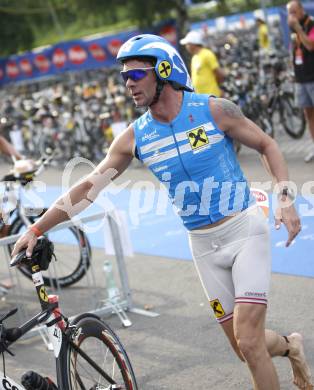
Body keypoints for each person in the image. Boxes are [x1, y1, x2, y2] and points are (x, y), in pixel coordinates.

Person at [11, 34, 312, 390]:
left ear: (164, 70)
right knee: (244, 347)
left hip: (244, 230)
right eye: (123, 76)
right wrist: (37, 229)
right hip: (202, 245)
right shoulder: (135, 137)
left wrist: (286, 197)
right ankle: (291, 346)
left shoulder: (213, 110)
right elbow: (88, 187)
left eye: (135, 74)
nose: (127, 83)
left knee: (248, 339)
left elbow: (267, 144)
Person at [287, 0, 314, 163]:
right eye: (290, 13)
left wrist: (298, 28)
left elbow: (310, 45)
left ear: (301, 10)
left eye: (294, 12)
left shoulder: (310, 24)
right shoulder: (292, 29)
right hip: (301, 78)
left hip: (313, 76)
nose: (292, 16)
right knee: (308, 114)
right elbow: (295, 50)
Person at [179, 30, 224, 96]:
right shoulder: (194, 57)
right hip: (201, 98)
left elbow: (219, 74)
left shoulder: (207, 54)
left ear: (193, 43)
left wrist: (219, 88)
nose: (186, 46)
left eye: (187, 44)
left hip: (212, 96)